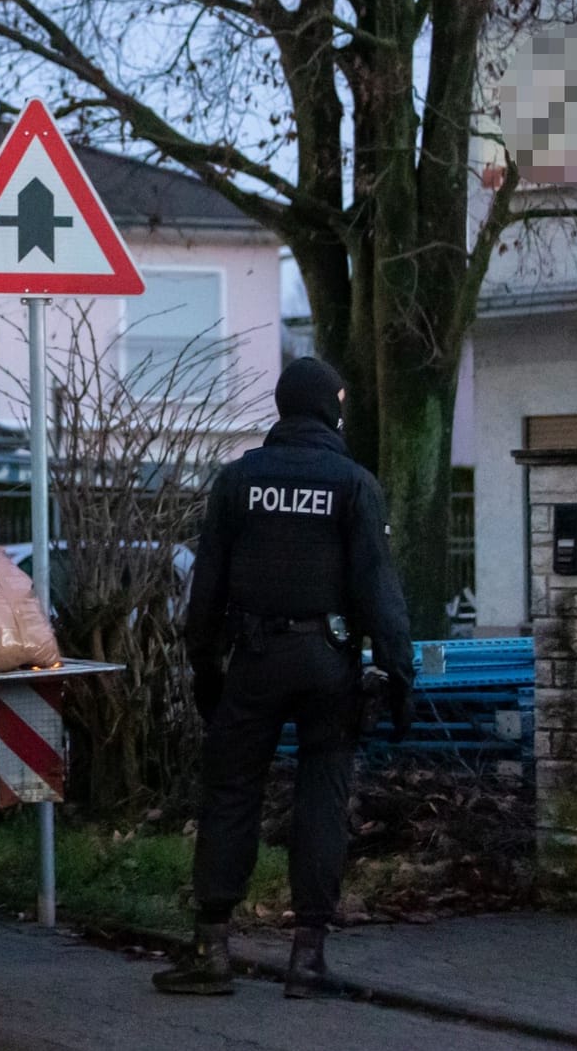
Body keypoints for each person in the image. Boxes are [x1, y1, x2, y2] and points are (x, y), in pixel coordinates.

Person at [154, 357, 415, 999]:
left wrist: (205, 670)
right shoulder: (353, 484)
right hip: (329, 662)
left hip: (255, 660)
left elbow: (206, 588)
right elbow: (379, 591)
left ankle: (211, 949)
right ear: (331, 407)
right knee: (322, 799)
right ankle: (307, 960)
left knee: (232, 793)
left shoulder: (238, 481)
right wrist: (400, 677)